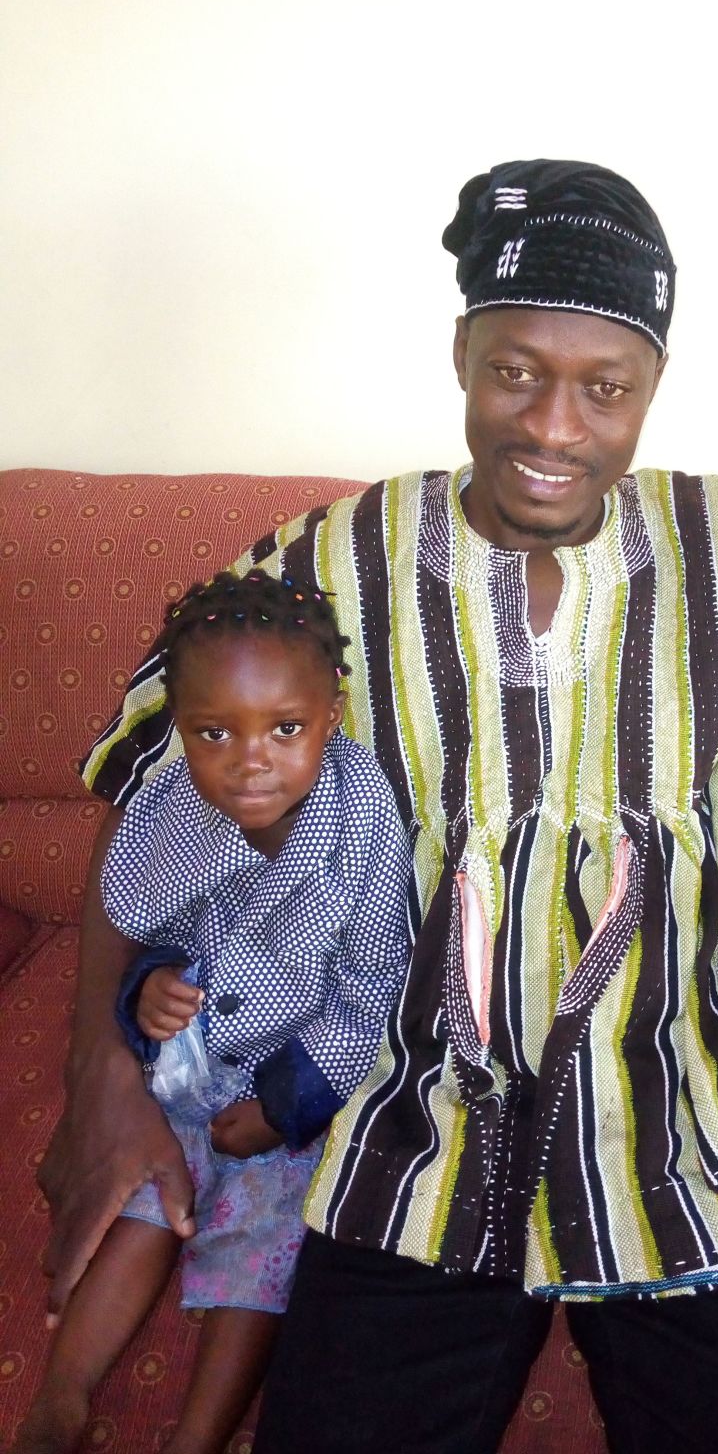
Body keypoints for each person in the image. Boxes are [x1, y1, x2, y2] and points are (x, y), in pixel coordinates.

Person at [39, 160, 718, 1453]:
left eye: (603, 389)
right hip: (420, 1128)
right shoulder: (331, 559)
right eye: (513, 372)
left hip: (690, 1130)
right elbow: (159, 781)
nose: (552, 426)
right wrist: (102, 1078)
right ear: (459, 355)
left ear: (651, 390)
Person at [15, 570, 412, 1454]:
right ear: (180, 728)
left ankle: (199, 1435)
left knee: (261, 1249)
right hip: (186, 1066)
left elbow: (374, 982)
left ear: (331, 714)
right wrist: (145, 987)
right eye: (213, 733)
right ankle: (64, 1398)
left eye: (285, 729)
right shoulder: (173, 804)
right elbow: (149, 917)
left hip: (296, 1088)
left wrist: (285, 1107)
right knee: (148, 1204)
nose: (249, 759)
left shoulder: (366, 817)